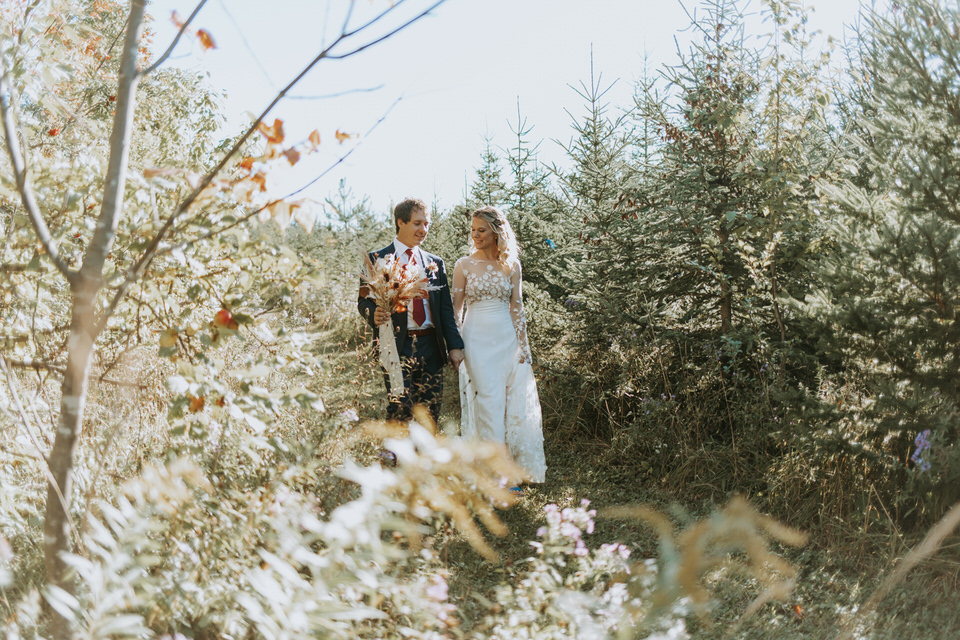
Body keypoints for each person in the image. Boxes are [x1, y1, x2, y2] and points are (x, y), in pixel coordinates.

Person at [452, 205, 546, 484]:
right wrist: (455, 346)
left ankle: (514, 466)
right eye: (473, 231)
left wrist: (524, 346)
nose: (476, 235)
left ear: (496, 232)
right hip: (476, 340)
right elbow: (456, 310)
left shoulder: (511, 265)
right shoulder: (464, 265)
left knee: (512, 403)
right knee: (489, 402)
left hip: (507, 339)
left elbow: (517, 307)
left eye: (481, 230)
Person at [358, 198, 464, 423]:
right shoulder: (377, 259)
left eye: (427, 224)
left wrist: (454, 346)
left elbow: (445, 309)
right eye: (417, 223)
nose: (423, 230)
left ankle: (424, 456)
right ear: (400, 222)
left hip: (431, 347)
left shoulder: (435, 262)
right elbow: (363, 301)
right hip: (397, 345)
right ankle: (395, 457)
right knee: (400, 409)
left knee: (430, 412)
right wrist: (373, 315)